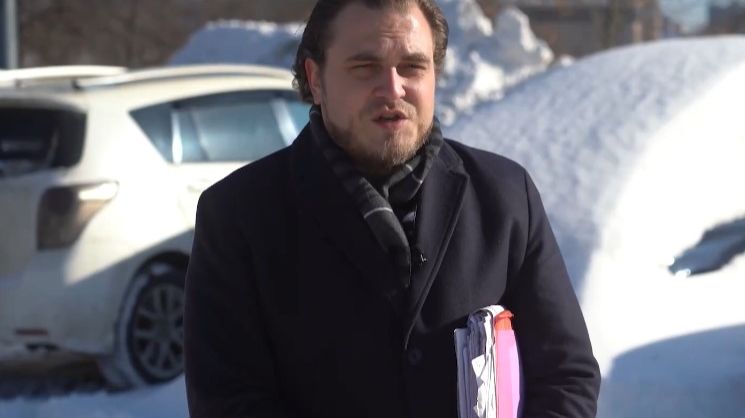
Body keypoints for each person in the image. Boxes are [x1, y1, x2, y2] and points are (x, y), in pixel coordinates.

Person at [183, 0, 601, 417]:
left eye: (412, 67)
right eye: (365, 67)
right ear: (316, 78)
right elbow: (228, 401)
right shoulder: (239, 216)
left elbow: (567, 376)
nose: (393, 88)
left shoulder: (504, 196)